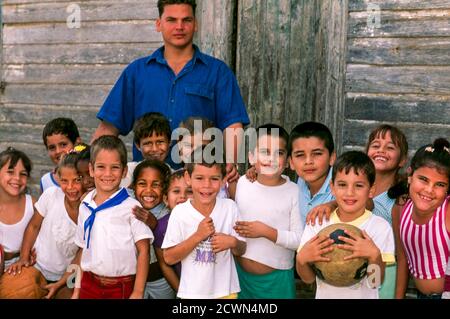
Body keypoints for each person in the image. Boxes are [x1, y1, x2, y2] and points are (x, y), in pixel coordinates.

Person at [91, 0, 250, 178]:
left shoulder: (218, 72)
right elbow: (108, 129)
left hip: (198, 185)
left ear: (195, 24)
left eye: (187, 20)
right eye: (172, 20)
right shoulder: (136, 73)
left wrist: (231, 164)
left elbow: (233, 126)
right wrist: (89, 166)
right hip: (149, 185)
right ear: (159, 24)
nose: (179, 26)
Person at [296, 151, 395, 299]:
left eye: (359, 185)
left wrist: (374, 256)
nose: (350, 192)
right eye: (342, 184)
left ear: (371, 190)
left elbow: (375, 282)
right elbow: (308, 279)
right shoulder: (318, 223)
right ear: (332, 187)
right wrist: (301, 260)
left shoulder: (379, 227)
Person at [72, 135, 153, 299]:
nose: (107, 174)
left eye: (115, 167)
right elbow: (82, 250)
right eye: (101, 167)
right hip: (88, 283)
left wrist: (137, 292)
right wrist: (76, 291)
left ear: (124, 172)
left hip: (121, 287)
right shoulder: (85, 206)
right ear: (91, 169)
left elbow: (144, 251)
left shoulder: (132, 208)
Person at [161, 145, 246, 299]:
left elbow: (241, 249)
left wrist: (233, 242)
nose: (206, 185)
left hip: (226, 292)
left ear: (223, 180)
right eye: (199, 178)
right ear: (188, 178)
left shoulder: (230, 208)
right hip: (192, 293)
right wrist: (198, 236)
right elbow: (169, 258)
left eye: (214, 179)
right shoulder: (180, 213)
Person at [234, 124, 302, 299]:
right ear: (251, 157)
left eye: (279, 153)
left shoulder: (294, 191)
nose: (271, 159)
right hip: (238, 277)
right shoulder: (243, 183)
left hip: (277, 281)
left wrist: (265, 232)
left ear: (288, 161)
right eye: (264, 152)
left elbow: (298, 239)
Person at [7, 151, 84, 299]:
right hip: (37, 266)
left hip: (67, 275)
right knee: (17, 292)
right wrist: (23, 258)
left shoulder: (89, 209)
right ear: (58, 178)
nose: (70, 187)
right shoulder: (51, 196)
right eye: (64, 181)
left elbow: (81, 254)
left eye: (77, 180)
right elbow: (33, 227)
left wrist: (64, 282)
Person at [392, 138, 450, 299]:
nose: (429, 190)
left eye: (440, 184)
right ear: (410, 175)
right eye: (423, 179)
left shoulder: (447, 211)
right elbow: (403, 259)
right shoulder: (400, 209)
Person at [365, 125, 408, 299]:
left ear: (402, 160)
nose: (381, 150)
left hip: (383, 269)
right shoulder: (353, 190)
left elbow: (402, 257)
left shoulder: (400, 200)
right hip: (353, 270)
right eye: (375, 145)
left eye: (390, 147)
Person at [130, 159, 175, 299]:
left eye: (156, 185)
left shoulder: (170, 212)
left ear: (165, 188)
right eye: (142, 184)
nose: (149, 190)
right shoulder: (129, 206)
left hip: (162, 281)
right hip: (133, 280)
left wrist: (155, 225)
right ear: (134, 186)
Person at [153, 168, 193, 293]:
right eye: (176, 191)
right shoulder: (161, 228)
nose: (183, 196)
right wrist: (180, 291)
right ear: (165, 199)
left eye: (189, 191)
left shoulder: (205, 222)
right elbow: (165, 265)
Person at [176, 116, 236, 199]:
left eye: (201, 146)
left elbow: (238, 203)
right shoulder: (173, 179)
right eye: (189, 146)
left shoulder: (225, 176)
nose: (195, 151)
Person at [0, 148, 35, 269]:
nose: (17, 178)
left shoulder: (34, 206)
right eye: (10, 172)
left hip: (21, 266)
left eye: (23, 174)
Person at [120, 112, 173, 188]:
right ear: (138, 145)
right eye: (148, 143)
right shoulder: (128, 172)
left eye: (160, 142)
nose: (154, 149)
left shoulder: (174, 177)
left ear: (170, 142)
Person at [40, 118, 81, 193]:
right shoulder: (45, 181)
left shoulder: (88, 179)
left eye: (63, 145)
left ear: (77, 143)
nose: (58, 151)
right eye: (52, 147)